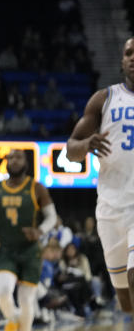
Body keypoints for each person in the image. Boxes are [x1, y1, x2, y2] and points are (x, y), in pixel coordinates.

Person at [67, 35, 134, 315]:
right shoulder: (104, 99)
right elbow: (71, 150)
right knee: (126, 302)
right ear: (122, 61)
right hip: (110, 207)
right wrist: (86, 144)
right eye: (129, 53)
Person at [0, 149, 57, 331]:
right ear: (6, 162)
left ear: (26, 163)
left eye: (19, 157)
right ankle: (12, 318)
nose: (14, 160)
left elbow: (52, 217)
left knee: (26, 299)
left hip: (30, 250)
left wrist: (39, 231)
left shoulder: (36, 188)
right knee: (2, 292)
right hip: (6, 249)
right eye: (11, 157)